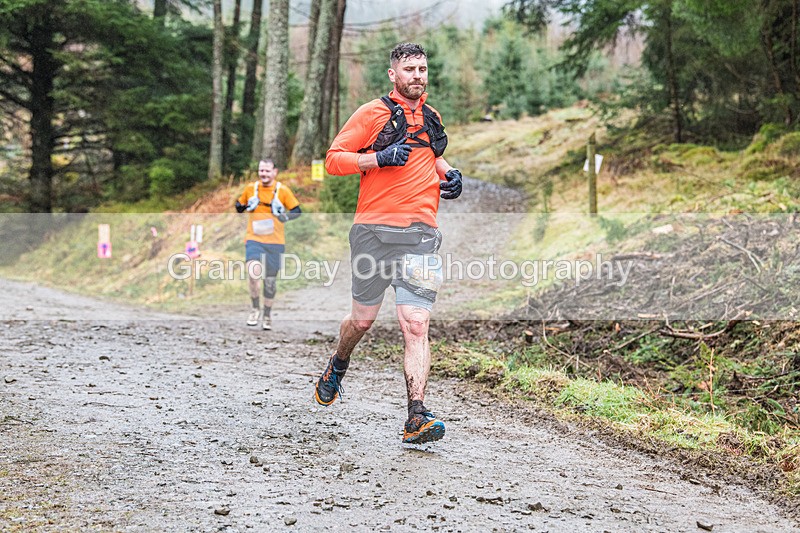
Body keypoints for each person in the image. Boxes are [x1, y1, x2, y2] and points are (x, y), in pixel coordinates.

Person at [313, 42, 463, 444]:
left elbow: (431, 157)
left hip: (420, 233)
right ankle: (338, 363)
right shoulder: (371, 113)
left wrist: (450, 174)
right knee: (362, 320)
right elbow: (333, 159)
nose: (418, 75)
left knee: (416, 323)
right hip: (373, 232)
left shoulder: (431, 116)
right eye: (410, 69)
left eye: (423, 69)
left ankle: (416, 415)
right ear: (393, 74)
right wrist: (378, 158)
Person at [235, 159, 301, 330]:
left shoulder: (282, 191)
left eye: (267, 171)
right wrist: (246, 206)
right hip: (254, 239)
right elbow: (238, 206)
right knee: (253, 272)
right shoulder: (251, 189)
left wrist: (284, 216)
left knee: (270, 282)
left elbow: (297, 211)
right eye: (261, 170)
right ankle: (255, 308)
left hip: (276, 242)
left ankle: (267, 315)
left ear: (275, 172)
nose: (263, 174)